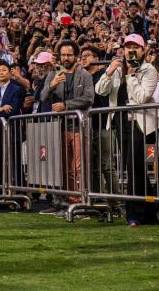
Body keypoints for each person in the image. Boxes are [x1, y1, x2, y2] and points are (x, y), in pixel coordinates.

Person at [39, 43, 94, 203]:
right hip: (59, 127)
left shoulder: (84, 75)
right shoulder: (53, 74)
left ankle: (80, 199)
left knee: (78, 167)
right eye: (63, 55)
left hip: (78, 126)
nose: (66, 58)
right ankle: (64, 199)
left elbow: (89, 98)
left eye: (69, 55)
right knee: (62, 165)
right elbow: (42, 97)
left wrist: (66, 105)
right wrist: (52, 85)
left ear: (76, 56)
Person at [121, 34, 159, 226]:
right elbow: (101, 90)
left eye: (135, 47)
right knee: (134, 170)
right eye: (127, 47)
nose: (131, 51)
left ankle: (136, 214)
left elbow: (141, 98)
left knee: (138, 170)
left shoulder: (149, 70)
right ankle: (147, 214)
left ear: (143, 50)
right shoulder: (122, 69)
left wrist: (131, 77)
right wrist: (110, 73)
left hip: (145, 126)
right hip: (128, 124)